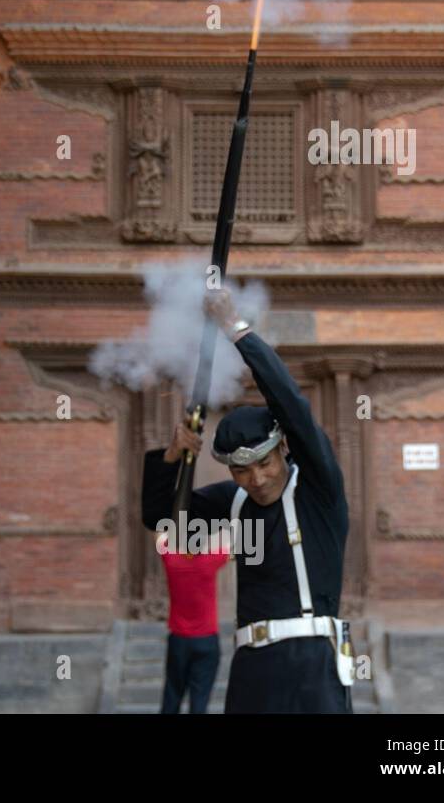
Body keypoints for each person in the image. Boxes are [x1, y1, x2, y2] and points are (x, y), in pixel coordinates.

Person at [141, 287, 353, 713]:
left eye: (264, 463)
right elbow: (162, 520)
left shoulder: (318, 490)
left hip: (312, 662)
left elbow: (291, 405)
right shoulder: (234, 502)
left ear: (284, 450)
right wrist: (169, 459)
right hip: (251, 668)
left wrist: (235, 329)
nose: (255, 479)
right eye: (241, 470)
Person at [154, 525, 231, 713]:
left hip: (179, 640)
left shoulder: (172, 560)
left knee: (172, 696)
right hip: (207, 641)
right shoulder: (209, 561)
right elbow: (228, 543)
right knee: (200, 701)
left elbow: (158, 537)